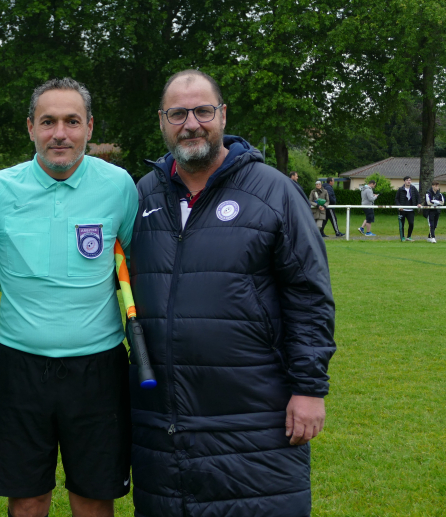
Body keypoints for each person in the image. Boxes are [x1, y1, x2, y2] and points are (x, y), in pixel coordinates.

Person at [128, 70, 335, 517]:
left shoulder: (275, 191)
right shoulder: (142, 195)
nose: (191, 124)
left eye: (203, 111)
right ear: (162, 121)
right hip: (163, 427)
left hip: (254, 421)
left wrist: (310, 388)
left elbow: (309, 295)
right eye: (177, 113)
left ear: (223, 114)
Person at [0, 78, 139, 517]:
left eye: (71, 121)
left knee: (93, 496)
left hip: (99, 368)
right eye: (48, 122)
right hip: (19, 366)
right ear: (31, 127)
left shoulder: (120, 187)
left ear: (89, 126)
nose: (59, 134)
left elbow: (132, 261)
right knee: (27, 499)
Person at [395, 176, 422, 241]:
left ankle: (409, 236)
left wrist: (419, 203)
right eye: (407, 180)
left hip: (411, 210)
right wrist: (399, 206)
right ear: (404, 181)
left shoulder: (413, 188)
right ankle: (402, 237)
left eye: (410, 180)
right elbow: (396, 199)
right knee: (402, 224)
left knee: (411, 223)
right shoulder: (400, 189)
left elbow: (418, 196)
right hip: (403, 210)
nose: (408, 181)